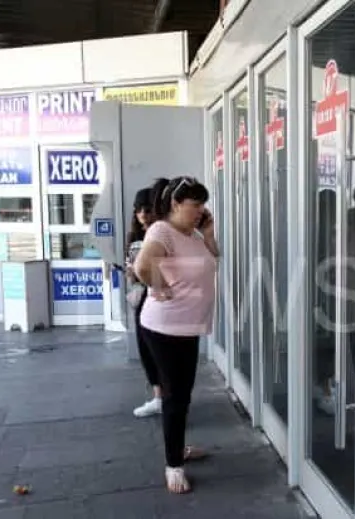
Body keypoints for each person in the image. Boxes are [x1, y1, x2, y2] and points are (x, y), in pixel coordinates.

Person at [134, 176, 219, 494]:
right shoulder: (161, 230)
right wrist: (160, 287)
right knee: (175, 398)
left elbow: (214, 259)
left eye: (202, 205)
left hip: (187, 327)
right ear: (175, 203)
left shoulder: (193, 234)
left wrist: (208, 235)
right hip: (165, 329)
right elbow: (143, 266)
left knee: (182, 395)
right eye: (195, 205)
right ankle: (173, 466)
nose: (200, 211)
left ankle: (178, 447)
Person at [125, 187, 163, 418]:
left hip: (160, 295)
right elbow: (132, 273)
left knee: (161, 350)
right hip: (142, 295)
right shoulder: (135, 238)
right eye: (139, 210)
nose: (143, 215)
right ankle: (158, 397)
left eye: (147, 210)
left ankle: (166, 398)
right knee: (145, 347)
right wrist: (132, 272)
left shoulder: (161, 234)